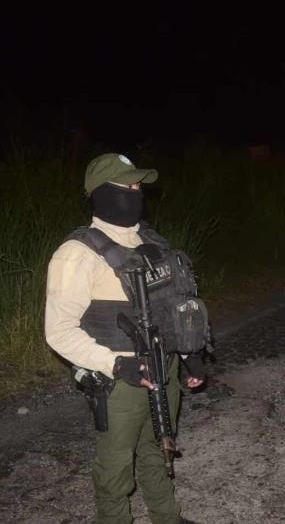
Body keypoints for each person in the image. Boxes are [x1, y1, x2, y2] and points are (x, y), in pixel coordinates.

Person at [45, 153, 207, 524]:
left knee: (157, 448)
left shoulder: (152, 242)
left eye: (138, 187)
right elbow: (58, 331)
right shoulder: (77, 254)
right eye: (127, 186)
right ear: (101, 193)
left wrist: (188, 353)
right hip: (120, 379)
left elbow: (171, 305)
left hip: (163, 367)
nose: (136, 193)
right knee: (116, 468)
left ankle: (168, 517)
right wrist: (116, 363)